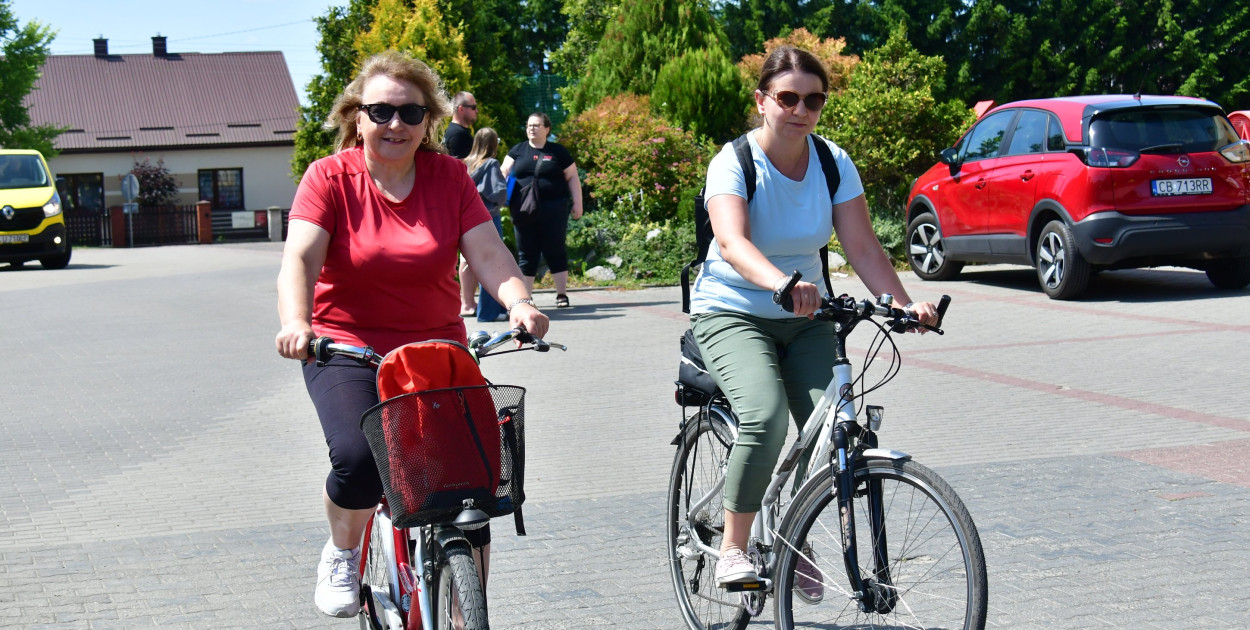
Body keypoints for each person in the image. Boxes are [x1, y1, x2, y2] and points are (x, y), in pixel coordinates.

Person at [274, 51, 547, 618]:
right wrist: (297, 324)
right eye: (380, 111)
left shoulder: (449, 178)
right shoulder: (330, 177)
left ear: (429, 121)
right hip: (346, 347)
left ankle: (465, 607)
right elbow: (299, 259)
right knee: (358, 457)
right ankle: (344, 550)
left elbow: (489, 252)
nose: (395, 124)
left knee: (471, 478)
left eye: (410, 113)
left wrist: (519, 302)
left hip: (435, 348)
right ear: (357, 117)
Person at [688, 45, 939, 587]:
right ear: (762, 101)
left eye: (814, 99)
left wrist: (901, 304)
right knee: (766, 415)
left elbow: (863, 246)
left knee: (829, 429)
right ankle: (734, 547)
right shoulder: (733, 161)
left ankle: (789, 535)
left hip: (808, 312)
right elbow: (730, 241)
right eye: (788, 97)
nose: (801, 109)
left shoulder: (832, 161)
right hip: (732, 309)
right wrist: (781, 283)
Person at [500, 113, 583, 309]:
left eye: (536, 125)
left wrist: (577, 203)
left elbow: (572, 177)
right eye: (529, 125)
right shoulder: (517, 151)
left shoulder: (558, 152)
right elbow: (503, 173)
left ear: (547, 129)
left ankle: (561, 294)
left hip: (554, 209)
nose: (531, 128)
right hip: (523, 210)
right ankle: (526, 298)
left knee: (556, 249)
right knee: (526, 253)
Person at [465, 127, 509, 321]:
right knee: (493, 263)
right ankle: (488, 312)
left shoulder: (466, 163)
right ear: (493, 144)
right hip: (489, 217)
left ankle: (494, 309)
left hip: (467, 218)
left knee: (477, 263)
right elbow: (499, 193)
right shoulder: (491, 164)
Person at [443, 90, 477, 159]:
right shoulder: (458, 135)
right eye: (473, 107)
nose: (477, 111)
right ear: (461, 109)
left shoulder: (454, 130)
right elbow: (459, 166)